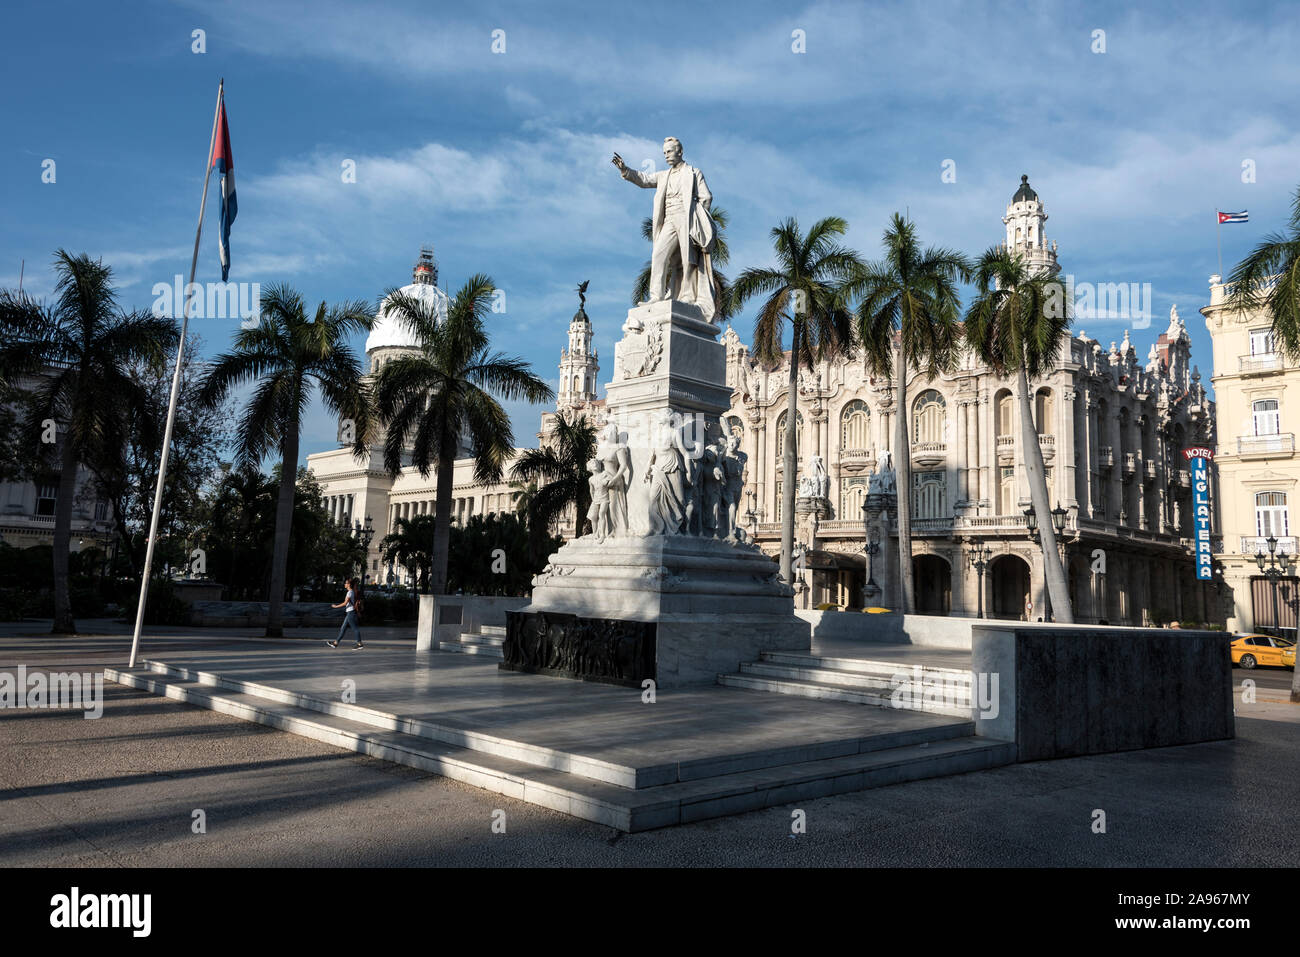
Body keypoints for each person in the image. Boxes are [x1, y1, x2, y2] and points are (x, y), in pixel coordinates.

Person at [326, 577, 364, 650]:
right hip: (349, 612)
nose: (344, 584)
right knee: (343, 628)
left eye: (346, 583)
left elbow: (345, 603)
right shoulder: (351, 592)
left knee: (355, 629)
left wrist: (335, 606)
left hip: (351, 613)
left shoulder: (350, 592)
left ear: (349, 584)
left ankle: (359, 644)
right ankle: (335, 643)